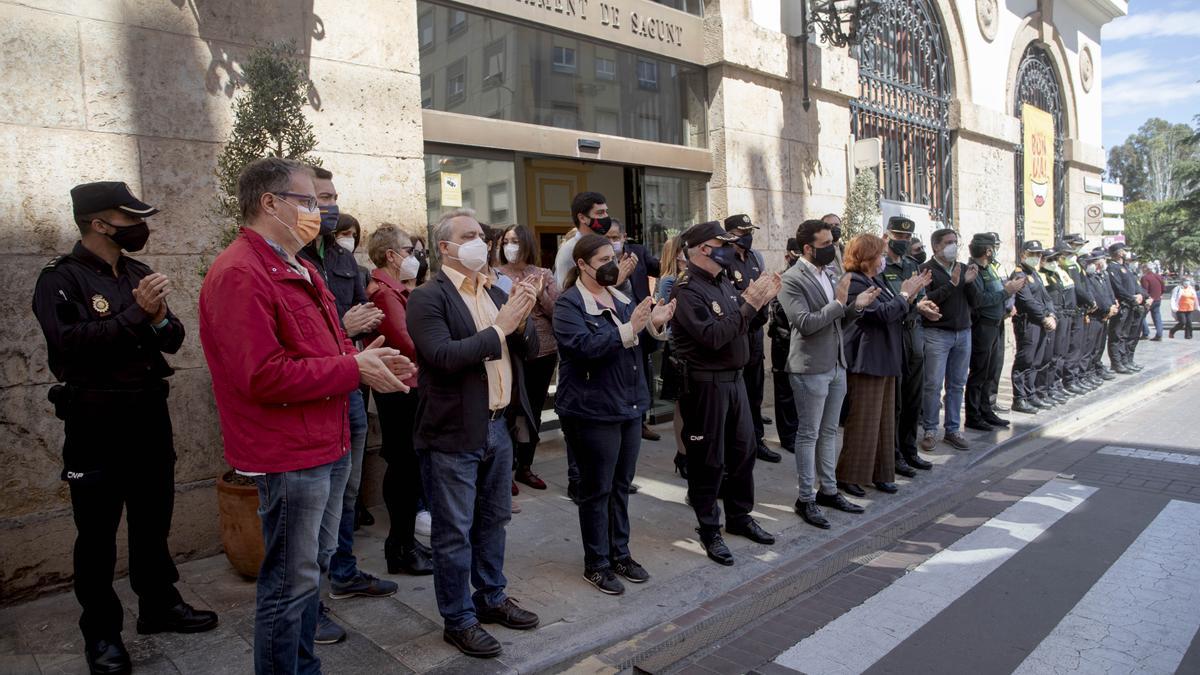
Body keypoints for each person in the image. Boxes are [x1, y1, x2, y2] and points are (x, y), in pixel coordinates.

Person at [199, 157, 415, 674]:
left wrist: (365, 361)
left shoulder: (297, 263)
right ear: (269, 203)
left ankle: (302, 665)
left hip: (324, 437)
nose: (322, 211)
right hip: (289, 451)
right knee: (289, 580)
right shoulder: (239, 272)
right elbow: (263, 375)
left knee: (309, 571)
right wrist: (350, 368)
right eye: (309, 201)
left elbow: (323, 347)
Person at [32, 181, 218, 674]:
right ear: (98, 223)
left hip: (148, 415)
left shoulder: (137, 272)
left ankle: (158, 605)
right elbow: (71, 345)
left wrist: (156, 318)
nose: (139, 227)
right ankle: (101, 633)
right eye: (129, 219)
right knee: (95, 535)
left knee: (152, 520)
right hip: (95, 419)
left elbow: (173, 338)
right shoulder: (60, 280)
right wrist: (139, 313)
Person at [405, 208, 542, 659]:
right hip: (453, 432)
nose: (481, 242)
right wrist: (499, 329)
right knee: (453, 532)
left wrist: (520, 317)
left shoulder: (494, 289)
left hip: (498, 426)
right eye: (469, 236)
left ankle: (491, 596)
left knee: (493, 521)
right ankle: (459, 619)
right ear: (445, 247)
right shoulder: (429, 297)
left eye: (482, 235)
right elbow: (442, 356)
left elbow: (529, 349)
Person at [298, 166, 396, 644]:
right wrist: (345, 322)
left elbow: (367, 319)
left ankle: (343, 570)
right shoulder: (286, 260)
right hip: (311, 399)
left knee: (346, 492)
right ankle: (307, 604)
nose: (329, 204)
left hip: (350, 392)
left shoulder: (343, 260)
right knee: (311, 507)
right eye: (320, 197)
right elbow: (299, 332)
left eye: (333, 196)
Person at [554, 233, 674, 594]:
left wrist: (657, 321)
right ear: (582, 265)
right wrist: (631, 328)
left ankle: (620, 553)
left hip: (629, 405)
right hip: (592, 410)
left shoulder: (620, 297)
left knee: (620, 486)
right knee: (596, 489)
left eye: (614, 256)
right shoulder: (569, 304)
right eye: (604, 258)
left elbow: (642, 343)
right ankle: (597, 563)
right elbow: (582, 347)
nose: (612, 263)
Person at [670, 220, 781, 566]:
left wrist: (759, 304)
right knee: (708, 460)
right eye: (723, 243)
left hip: (735, 380)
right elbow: (714, 335)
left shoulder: (725, 281)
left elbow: (744, 325)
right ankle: (709, 528)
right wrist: (748, 304)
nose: (731, 249)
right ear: (704, 248)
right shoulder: (686, 290)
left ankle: (739, 515)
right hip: (706, 385)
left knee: (743, 451)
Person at [779, 219, 875, 530]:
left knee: (830, 431)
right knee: (809, 434)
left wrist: (856, 307)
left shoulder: (829, 273)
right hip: (809, 367)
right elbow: (805, 323)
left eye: (832, 243)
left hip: (836, 364)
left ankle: (829, 490)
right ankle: (805, 498)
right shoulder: (791, 279)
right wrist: (839, 303)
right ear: (807, 248)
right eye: (824, 245)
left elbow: (837, 322)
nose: (831, 249)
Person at [836, 234, 932, 497]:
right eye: (879, 255)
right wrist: (904, 293)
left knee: (884, 422)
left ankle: (880, 473)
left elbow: (896, 309)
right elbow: (881, 314)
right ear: (865, 257)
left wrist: (913, 301)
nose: (882, 260)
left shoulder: (874, 279)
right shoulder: (854, 282)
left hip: (886, 358)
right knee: (864, 422)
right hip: (867, 361)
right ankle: (849, 475)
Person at [364, 223, 434, 577]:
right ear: (391, 255)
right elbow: (407, 340)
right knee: (405, 466)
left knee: (409, 467)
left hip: (408, 384)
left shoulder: (395, 290)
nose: (415, 256)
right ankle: (400, 547)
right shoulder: (384, 293)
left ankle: (406, 541)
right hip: (401, 388)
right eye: (409, 251)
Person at [498, 224, 560, 490]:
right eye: (506, 241)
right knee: (509, 409)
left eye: (515, 241)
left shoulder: (543, 274)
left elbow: (558, 312)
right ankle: (506, 468)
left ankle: (525, 465)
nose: (510, 246)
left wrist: (539, 295)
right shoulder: (495, 275)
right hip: (509, 352)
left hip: (543, 351)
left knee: (533, 410)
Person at [597, 218, 663, 442]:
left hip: (641, 319)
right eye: (607, 238)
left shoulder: (638, 252)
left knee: (643, 369)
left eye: (616, 237)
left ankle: (641, 420)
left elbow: (659, 268)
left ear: (624, 238)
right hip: (614, 323)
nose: (612, 242)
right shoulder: (599, 260)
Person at [881, 217, 938, 474]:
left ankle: (909, 449)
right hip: (895, 336)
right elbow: (890, 303)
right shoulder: (880, 267)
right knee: (896, 401)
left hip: (915, 335)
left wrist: (926, 306)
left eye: (907, 237)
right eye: (899, 237)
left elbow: (921, 297)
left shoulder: (912, 266)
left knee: (914, 399)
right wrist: (914, 302)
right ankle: (893, 455)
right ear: (888, 235)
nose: (903, 242)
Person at [722, 214, 779, 463]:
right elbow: (729, 295)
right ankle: (737, 444)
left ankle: (758, 440)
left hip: (755, 332)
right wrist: (750, 297)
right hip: (737, 332)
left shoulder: (755, 257)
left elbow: (763, 285)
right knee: (737, 394)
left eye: (749, 230)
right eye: (741, 231)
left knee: (755, 393)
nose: (747, 236)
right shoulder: (724, 259)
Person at [918, 229, 977, 452]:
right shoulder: (926, 269)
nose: (953, 246)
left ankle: (953, 429)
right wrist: (955, 283)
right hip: (937, 333)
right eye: (948, 242)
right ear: (936, 247)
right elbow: (928, 300)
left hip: (963, 332)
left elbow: (975, 301)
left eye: (955, 242)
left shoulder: (961, 268)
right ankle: (930, 430)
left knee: (956, 384)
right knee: (932, 384)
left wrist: (969, 282)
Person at [965, 233, 1025, 430]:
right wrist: (1008, 291)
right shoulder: (973, 271)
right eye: (993, 248)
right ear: (987, 250)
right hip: (982, 326)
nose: (994, 251)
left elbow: (996, 293)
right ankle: (974, 416)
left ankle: (986, 410)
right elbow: (980, 300)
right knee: (979, 372)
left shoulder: (989, 269)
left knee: (991, 371)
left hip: (995, 324)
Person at [1010, 240, 1057, 414]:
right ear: (1023, 254)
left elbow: (1047, 298)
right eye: (1033, 254)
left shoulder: (1034, 274)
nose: (1036, 258)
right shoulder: (1019, 274)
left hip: (1041, 322)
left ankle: (1031, 394)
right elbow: (1027, 301)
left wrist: (1051, 314)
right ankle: (1020, 398)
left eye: (1038, 254)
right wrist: (1044, 318)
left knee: (1037, 361)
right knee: (1026, 360)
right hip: (1028, 323)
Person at [656, 236, 690, 476]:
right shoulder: (669, 280)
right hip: (677, 346)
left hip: (691, 347)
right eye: (682, 250)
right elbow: (670, 312)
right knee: (682, 406)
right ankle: (683, 454)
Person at [768, 237, 803, 456]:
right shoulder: (781, 278)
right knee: (784, 392)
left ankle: (799, 432)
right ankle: (788, 436)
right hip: (783, 341)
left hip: (801, 342)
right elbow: (779, 312)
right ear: (788, 255)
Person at [1060, 235, 1099, 393]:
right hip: (1074, 310)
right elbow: (1077, 287)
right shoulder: (1068, 265)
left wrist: (1090, 300)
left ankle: (1076, 377)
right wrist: (1090, 300)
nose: (1079, 247)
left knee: (1080, 346)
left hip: (1081, 309)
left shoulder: (1076, 263)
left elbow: (1086, 285)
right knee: (1073, 347)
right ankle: (1070, 380)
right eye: (1076, 244)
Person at [1106, 243, 1142, 373]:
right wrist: (1131, 297)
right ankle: (1116, 363)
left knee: (1125, 335)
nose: (1126, 252)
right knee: (1116, 335)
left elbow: (1134, 284)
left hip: (1130, 305)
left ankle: (1124, 360)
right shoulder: (1112, 267)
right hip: (1122, 305)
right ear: (1118, 252)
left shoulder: (1125, 267)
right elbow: (1118, 287)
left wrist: (1139, 295)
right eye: (1124, 250)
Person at [1083, 249, 1118, 383]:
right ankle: (1088, 372)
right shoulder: (1089, 277)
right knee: (1090, 347)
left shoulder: (1102, 276)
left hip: (1104, 315)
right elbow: (1095, 296)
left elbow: (1107, 293)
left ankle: (1095, 368)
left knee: (1099, 346)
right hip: (1095, 316)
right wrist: (1107, 308)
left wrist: (1112, 306)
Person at [1140, 264, 1166, 341]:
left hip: (1149, 300)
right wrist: (1159, 294)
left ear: (1146, 269)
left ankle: (1145, 332)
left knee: (1141, 316)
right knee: (1157, 317)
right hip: (1157, 299)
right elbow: (1163, 288)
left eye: (1143, 268)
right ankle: (1159, 334)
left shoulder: (1145, 278)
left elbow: (1145, 290)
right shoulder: (1158, 276)